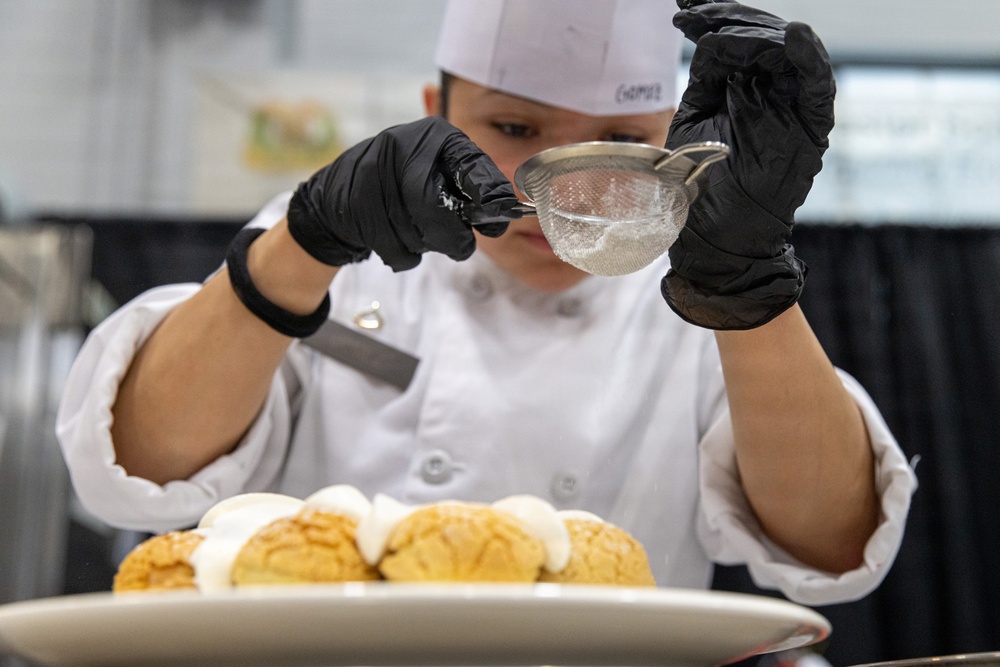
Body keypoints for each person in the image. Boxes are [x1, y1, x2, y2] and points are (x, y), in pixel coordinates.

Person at [57, 0, 915, 605]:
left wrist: (744, 283)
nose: (565, 184)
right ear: (438, 111)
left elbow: (830, 545)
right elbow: (141, 466)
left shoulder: (697, 300)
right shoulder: (331, 244)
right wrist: (308, 241)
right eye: (515, 130)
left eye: (621, 144)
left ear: (679, 140)